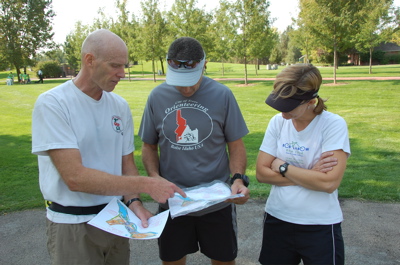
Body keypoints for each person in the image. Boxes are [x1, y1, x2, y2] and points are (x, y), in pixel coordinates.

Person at [31, 29, 185, 265]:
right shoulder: (53, 103)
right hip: (72, 225)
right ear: (89, 60)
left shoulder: (119, 106)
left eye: (124, 65)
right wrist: (147, 184)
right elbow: (75, 178)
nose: (122, 73)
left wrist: (134, 202)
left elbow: (126, 164)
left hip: (116, 220)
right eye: (115, 65)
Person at [138, 37, 250, 265]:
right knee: (172, 260)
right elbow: (149, 146)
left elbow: (235, 145)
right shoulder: (157, 97)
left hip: (217, 203)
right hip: (172, 202)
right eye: (180, 82)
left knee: (223, 260)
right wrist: (154, 179)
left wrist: (238, 178)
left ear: (204, 65)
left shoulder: (223, 95)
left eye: (192, 79)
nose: (187, 88)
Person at [256, 64, 350, 265]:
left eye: (289, 107)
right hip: (278, 218)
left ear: (311, 101)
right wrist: (309, 175)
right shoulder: (278, 122)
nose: (282, 113)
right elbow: (261, 173)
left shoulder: (333, 125)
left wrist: (283, 166)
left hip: (320, 225)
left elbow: (328, 184)